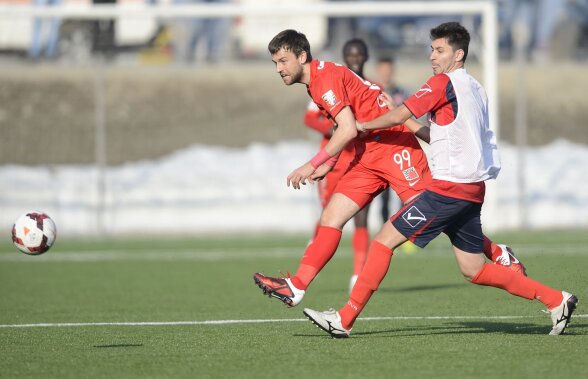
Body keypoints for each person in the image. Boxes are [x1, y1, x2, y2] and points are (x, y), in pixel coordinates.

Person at [302, 22, 577, 338]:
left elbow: (397, 115)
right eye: (432, 49)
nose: (432, 55)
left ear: (458, 54)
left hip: (447, 189)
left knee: (382, 242)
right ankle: (557, 299)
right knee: (473, 270)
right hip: (472, 189)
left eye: (440, 50)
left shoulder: (440, 84)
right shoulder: (475, 88)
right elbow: (439, 135)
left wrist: (361, 125)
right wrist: (407, 124)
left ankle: (344, 319)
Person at [253, 29, 526, 311]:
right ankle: (297, 286)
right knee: (332, 216)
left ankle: (498, 252)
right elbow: (344, 126)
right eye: (275, 63)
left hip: (395, 147)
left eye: (283, 61)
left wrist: (312, 163)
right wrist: (330, 163)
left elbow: (347, 129)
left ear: (302, 56)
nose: (279, 69)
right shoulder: (318, 81)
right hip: (367, 155)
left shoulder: (324, 80)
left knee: (438, 214)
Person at [303, 39, 373, 292]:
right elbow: (309, 117)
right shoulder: (331, 82)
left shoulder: (370, 88)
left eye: (359, 55)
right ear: (345, 57)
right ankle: (310, 261)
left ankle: (358, 274)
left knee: (362, 217)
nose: (355, 59)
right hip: (332, 159)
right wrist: (338, 129)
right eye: (350, 55)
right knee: (328, 214)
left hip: (360, 159)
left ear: (365, 57)